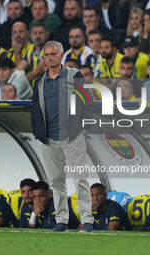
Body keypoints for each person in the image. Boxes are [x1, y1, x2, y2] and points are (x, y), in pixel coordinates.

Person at [31, 40, 94, 232]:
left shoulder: (74, 75)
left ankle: (87, 221)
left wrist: (82, 130)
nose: (49, 58)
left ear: (60, 56)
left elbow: (86, 103)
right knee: (56, 182)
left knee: (80, 179)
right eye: (46, 55)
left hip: (72, 137)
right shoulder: (40, 81)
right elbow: (35, 110)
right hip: (48, 139)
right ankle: (61, 221)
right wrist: (38, 132)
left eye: (53, 54)